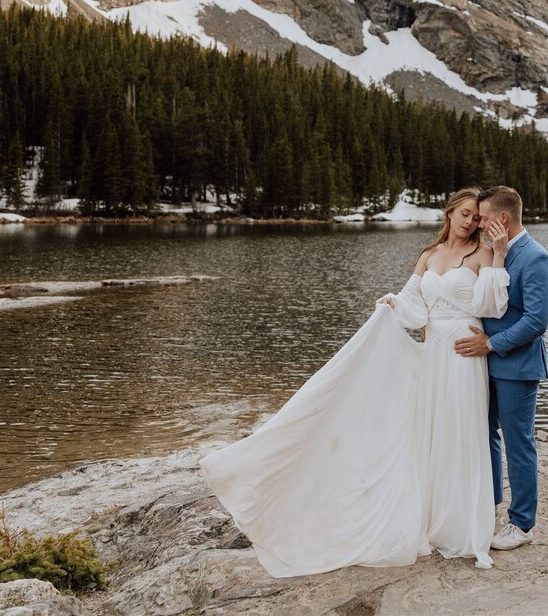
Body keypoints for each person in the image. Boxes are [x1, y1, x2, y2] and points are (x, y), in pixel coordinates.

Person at [199, 188, 511, 576]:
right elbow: (414, 308)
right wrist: (392, 305)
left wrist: (498, 254)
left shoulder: (483, 254)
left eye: (476, 217)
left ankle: (461, 527)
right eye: (465, 213)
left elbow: (492, 306)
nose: (471, 222)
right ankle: (430, 518)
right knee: (431, 435)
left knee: (461, 435)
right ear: (449, 213)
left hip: (465, 356)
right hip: (433, 360)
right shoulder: (428, 256)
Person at [454, 186, 548, 551]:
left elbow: (536, 321)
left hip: (517, 367)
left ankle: (522, 523)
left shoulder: (536, 257)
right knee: (484, 437)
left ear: (503, 219)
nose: (477, 223)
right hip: (483, 365)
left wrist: (492, 343)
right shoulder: (489, 252)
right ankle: (488, 507)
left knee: (519, 443)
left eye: (482, 217)